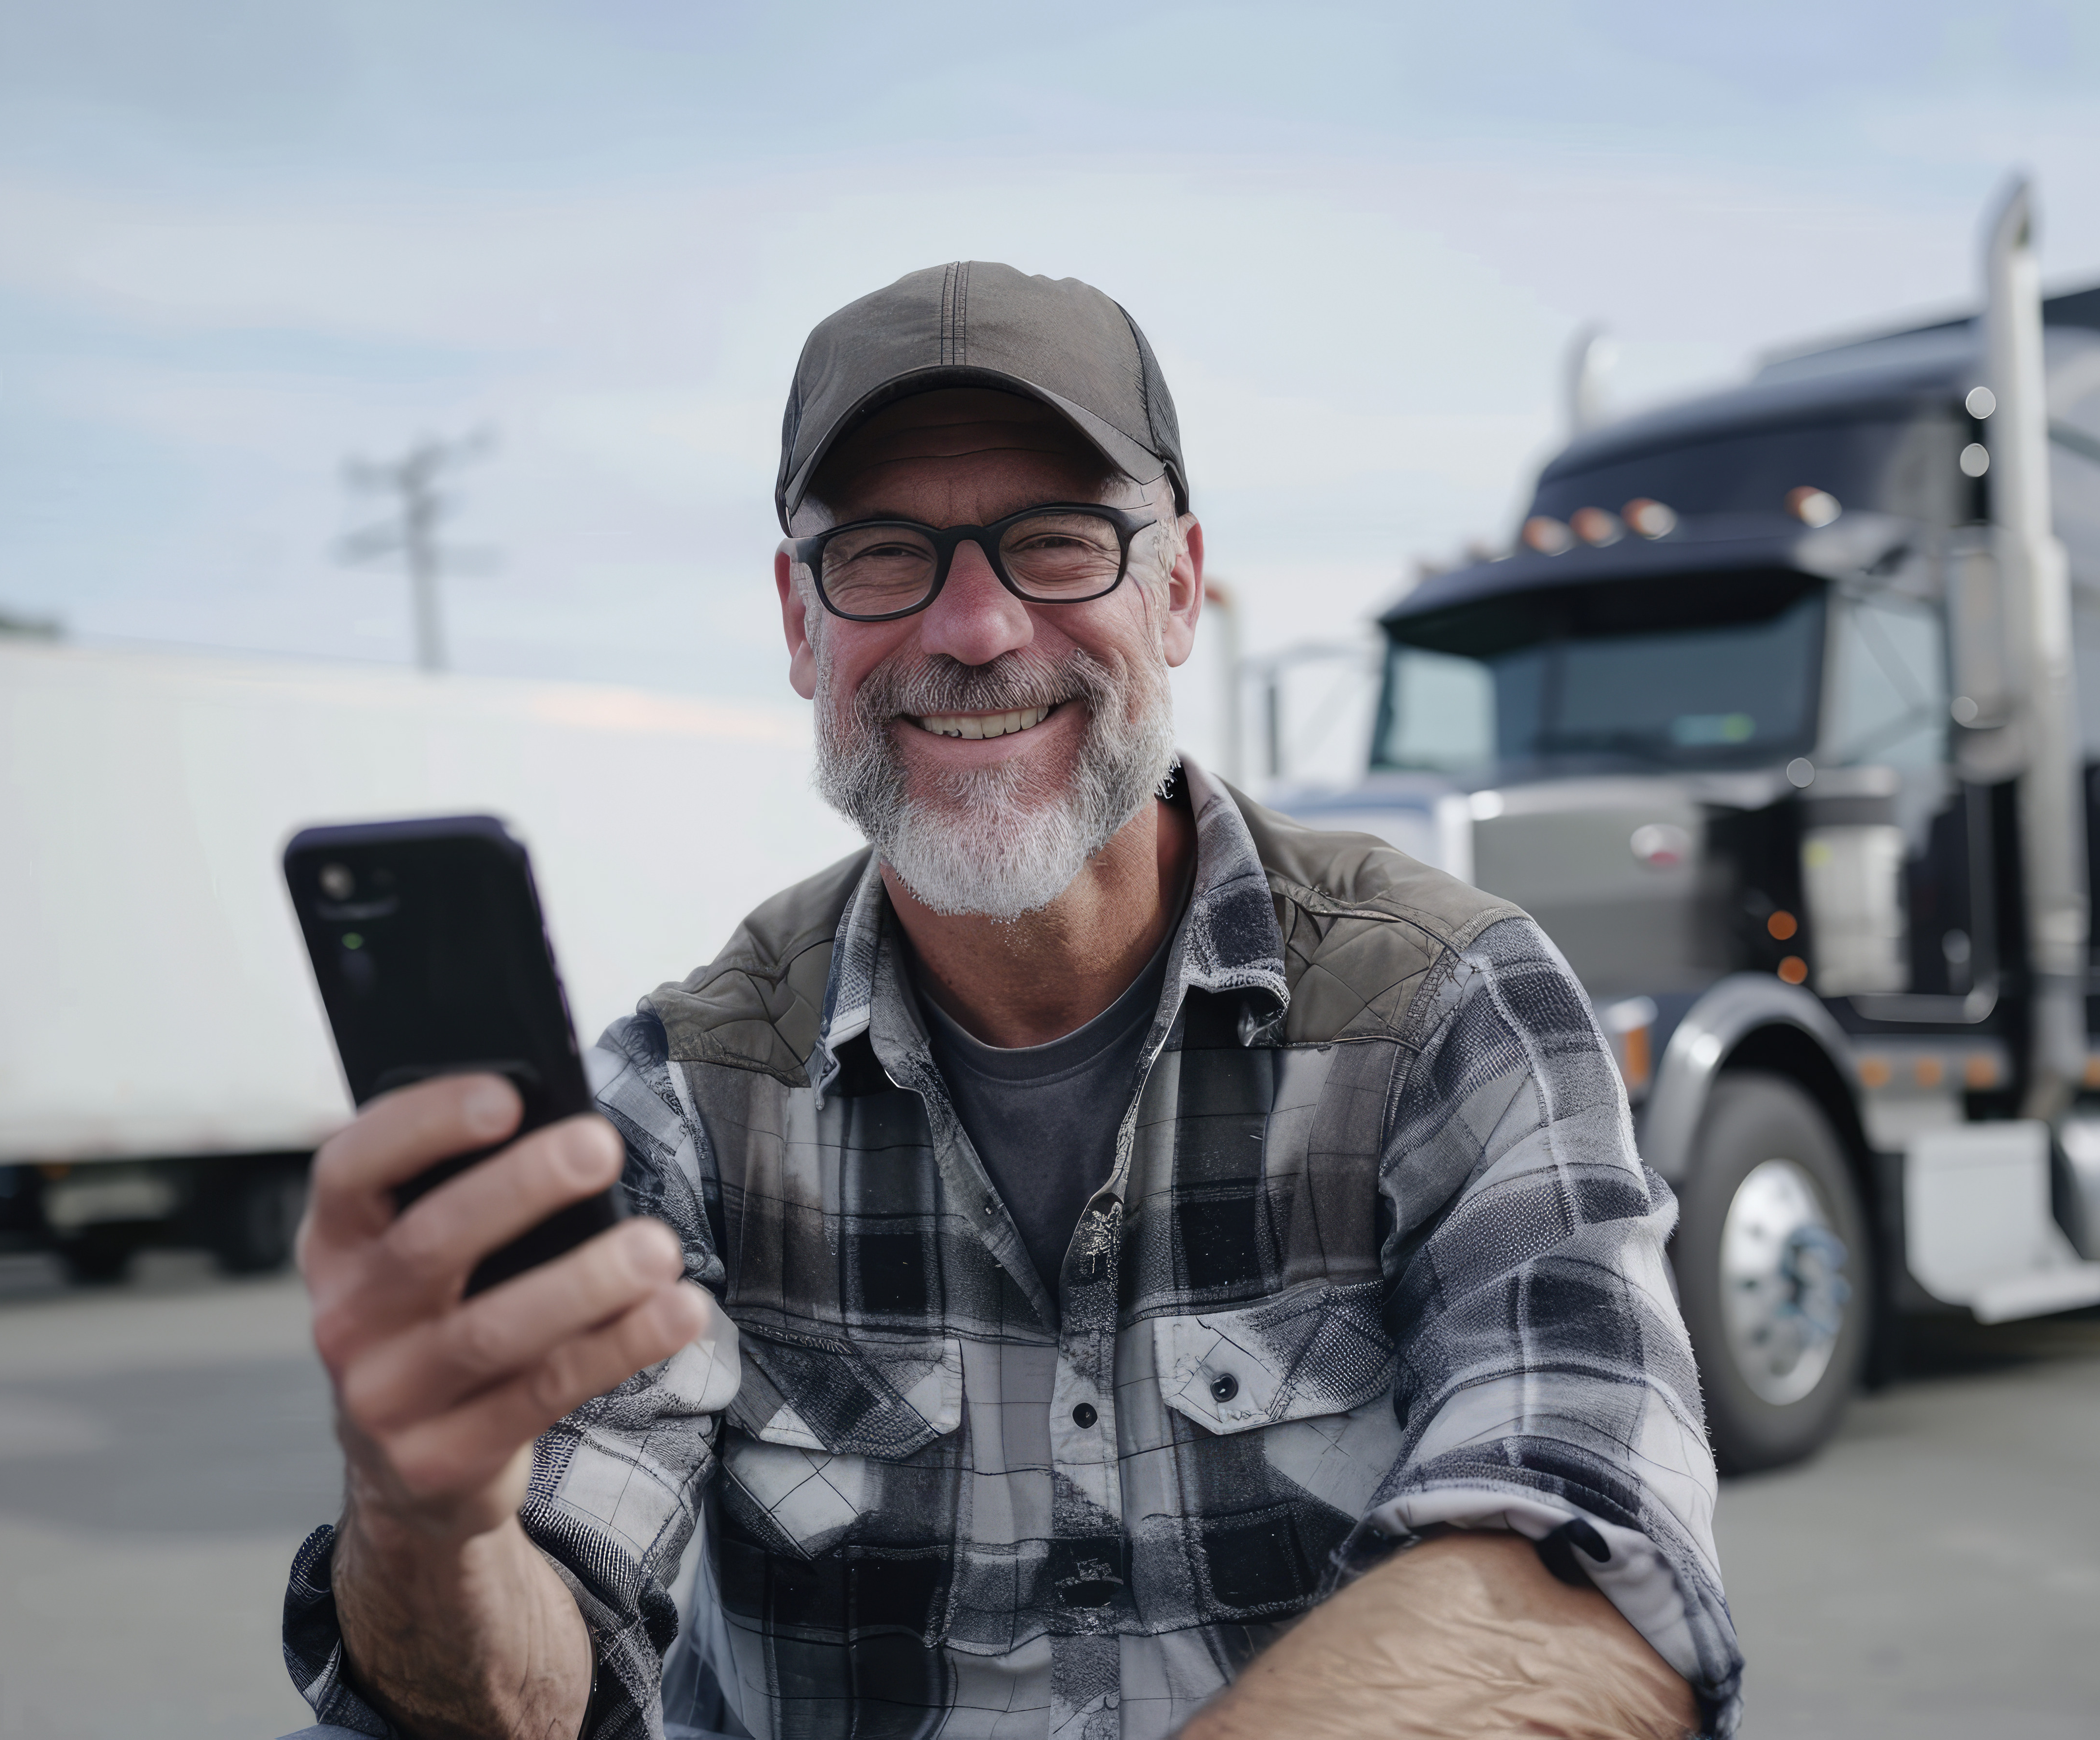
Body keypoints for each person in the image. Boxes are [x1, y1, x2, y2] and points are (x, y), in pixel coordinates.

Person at [279, 262, 1742, 1740]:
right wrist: (429, 1527)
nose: (973, 630)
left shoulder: (1447, 1007)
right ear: (801, 624)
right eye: (883, 556)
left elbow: (1597, 1571)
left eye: (1057, 544)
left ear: (1175, 591)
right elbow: (525, 1678)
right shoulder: (683, 1099)